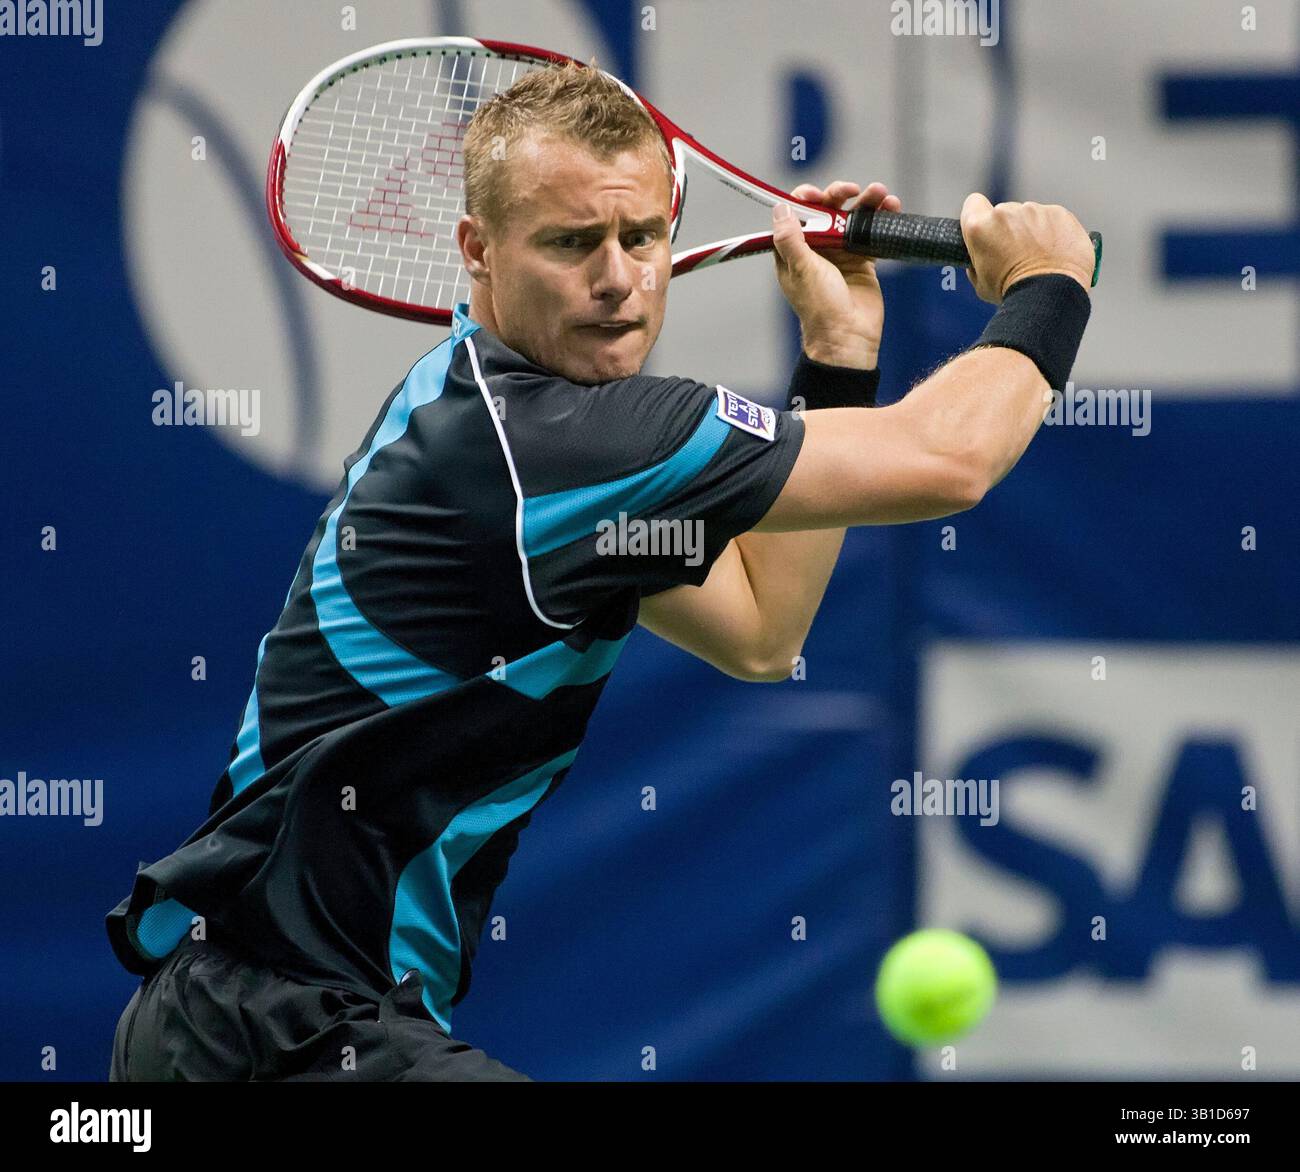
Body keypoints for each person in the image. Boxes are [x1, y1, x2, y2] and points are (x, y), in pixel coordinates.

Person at [106, 60, 1095, 1081]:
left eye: (643, 236)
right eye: (573, 243)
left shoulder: (524, 439)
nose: (619, 277)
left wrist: (836, 350)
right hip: (278, 1028)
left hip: (246, 1026)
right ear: (475, 252)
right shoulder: (566, 445)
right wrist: (1048, 286)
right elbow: (949, 460)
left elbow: (761, 627)